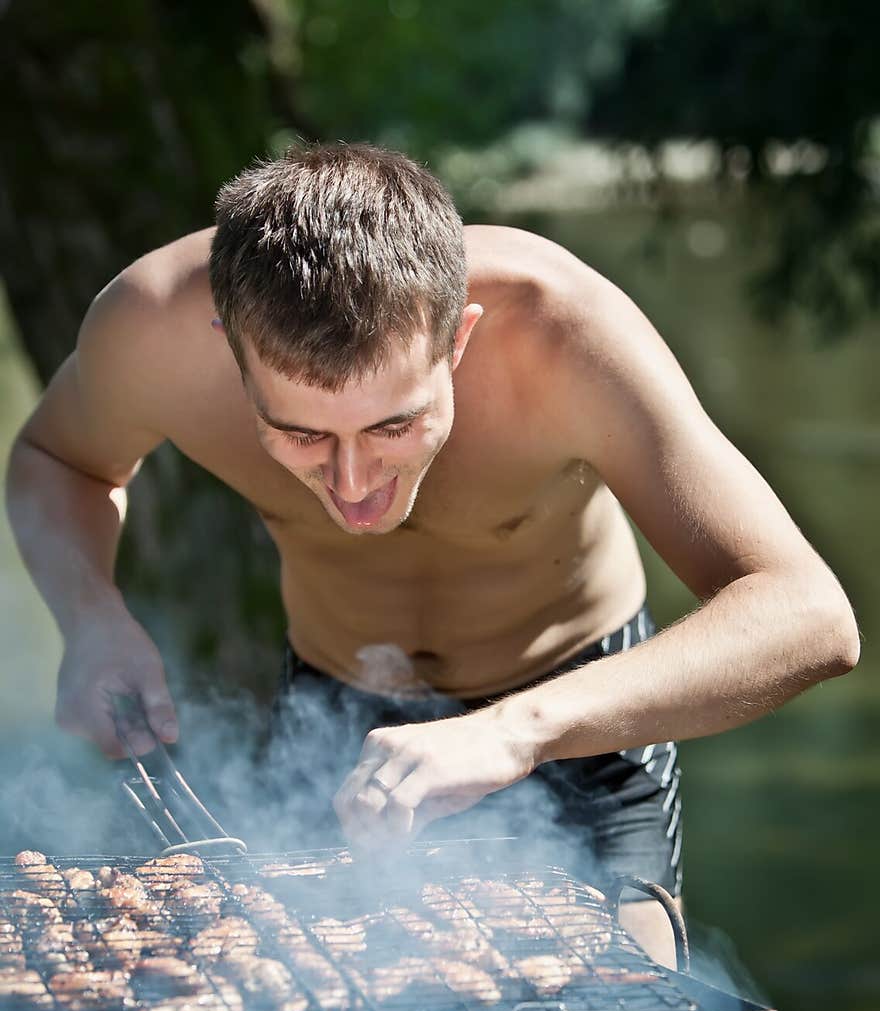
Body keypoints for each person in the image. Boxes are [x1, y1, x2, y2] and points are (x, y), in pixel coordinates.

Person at [5, 142, 859, 966]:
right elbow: (58, 460)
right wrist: (91, 616)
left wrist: (514, 731)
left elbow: (809, 614)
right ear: (230, 344)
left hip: (576, 719)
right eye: (300, 434)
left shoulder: (565, 335)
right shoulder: (152, 329)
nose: (353, 485)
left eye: (394, 426)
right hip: (338, 721)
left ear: (458, 339)